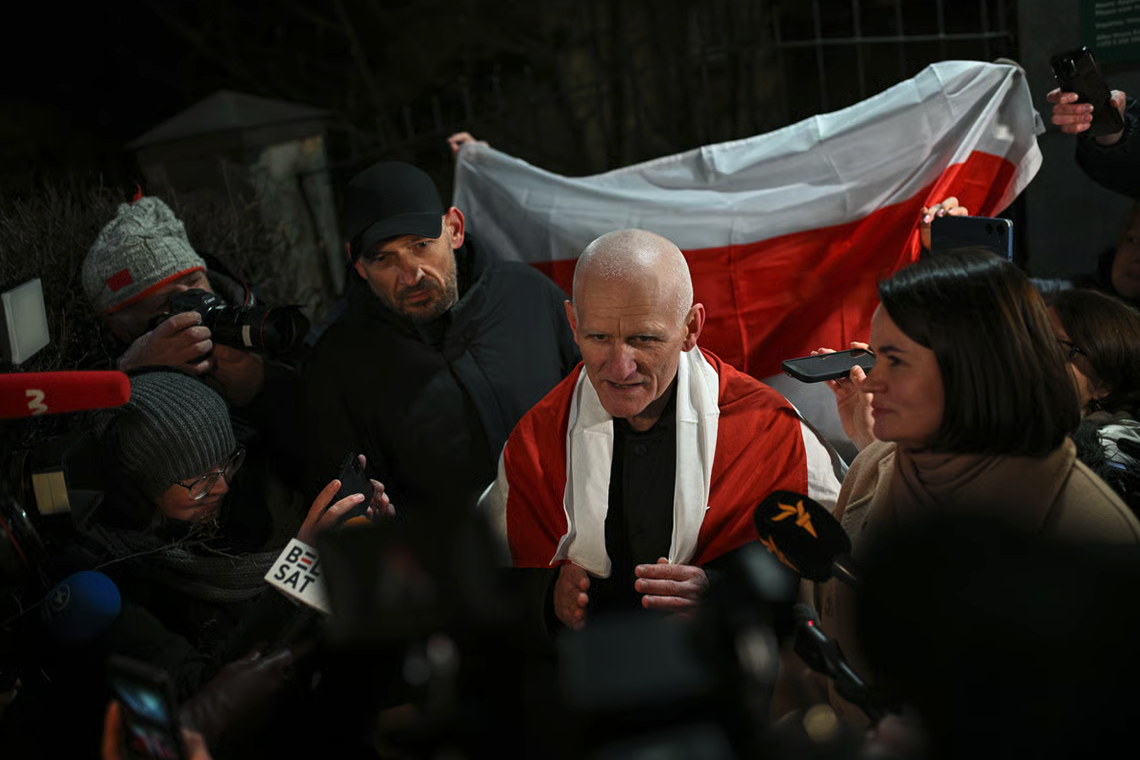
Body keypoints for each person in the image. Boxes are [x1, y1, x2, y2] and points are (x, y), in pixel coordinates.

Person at [812, 249, 1140, 726]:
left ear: (974, 370)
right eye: (872, 358)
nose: (871, 382)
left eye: (896, 362)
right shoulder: (875, 466)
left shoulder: (1092, 537)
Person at [479, 229, 845, 632]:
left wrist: (723, 591)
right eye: (598, 337)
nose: (620, 367)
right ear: (572, 322)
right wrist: (547, 594)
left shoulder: (769, 431)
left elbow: (836, 571)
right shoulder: (535, 440)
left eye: (644, 339)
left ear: (691, 328)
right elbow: (487, 579)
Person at [34, 369, 389, 758]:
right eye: (200, 479)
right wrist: (299, 564)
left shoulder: (236, 502)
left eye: (226, 463)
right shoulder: (107, 582)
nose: (221, 486)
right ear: (143, 488)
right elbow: (203, 694)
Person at [301, 160, 580, 513]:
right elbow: (344, 505)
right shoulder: (337, 364)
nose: (410, 274)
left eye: (420, 245)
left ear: (454, 228)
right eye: (385, 258)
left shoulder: (530, 296)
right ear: (358, 265)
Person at [83, 195, 308, 539]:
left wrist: (262, 385)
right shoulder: (93, 368)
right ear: (120, 325)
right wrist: (133, 378)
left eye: (195, 283)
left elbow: (329, 420)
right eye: (169, 301)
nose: (197, 303)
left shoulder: (260, 322)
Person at [1049, 287, 1140, 515]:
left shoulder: (1110, 459)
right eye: (1033, 340)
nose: (1034, 356)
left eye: (1059, 349)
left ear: (1104, 385)